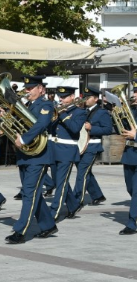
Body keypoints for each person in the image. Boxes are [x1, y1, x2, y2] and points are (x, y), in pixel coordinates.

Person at [5, 75, 57, 244]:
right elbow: (17, 124)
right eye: (26, 88)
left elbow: (41, 124)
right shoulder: (25, 105)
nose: (27, 91)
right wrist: (6, 117)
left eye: (30, 88)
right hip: (25, 156)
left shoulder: (46, 105)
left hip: (39, 156)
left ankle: (20, 231)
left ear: (40, 89)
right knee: (33, 194)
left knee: (29, 193)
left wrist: (25, 139)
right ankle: (48, 225)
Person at [48, 86, 86, 221]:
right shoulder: (56, 110)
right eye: (60, 97)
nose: (61, 99)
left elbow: (75, 129)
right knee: (57, 180)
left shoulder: (80, 112)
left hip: (67, 150)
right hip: (53, 148)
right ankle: (73, 204)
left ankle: (54, 212)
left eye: (64, 97)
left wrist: (63, 114)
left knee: (62, 182)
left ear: (72, 97)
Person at [72, 87, 113, 209]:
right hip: (81, 146)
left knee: (82, 173)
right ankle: (97, 195)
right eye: (84, 97)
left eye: (88, 97)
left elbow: (108, 129)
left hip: (92, 146)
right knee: (86, 173)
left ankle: (76, 201)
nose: (85, 99)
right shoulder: (82, 110)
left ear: (95, 99)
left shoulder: (102, 112)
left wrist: (92, 128)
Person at [119, 84, 137, 235]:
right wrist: (117, 113)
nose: (135, 95)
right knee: (130, 189)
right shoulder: (133, 110)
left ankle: (132, 223)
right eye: (135, 91)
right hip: (130, 153)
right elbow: (122, 129)